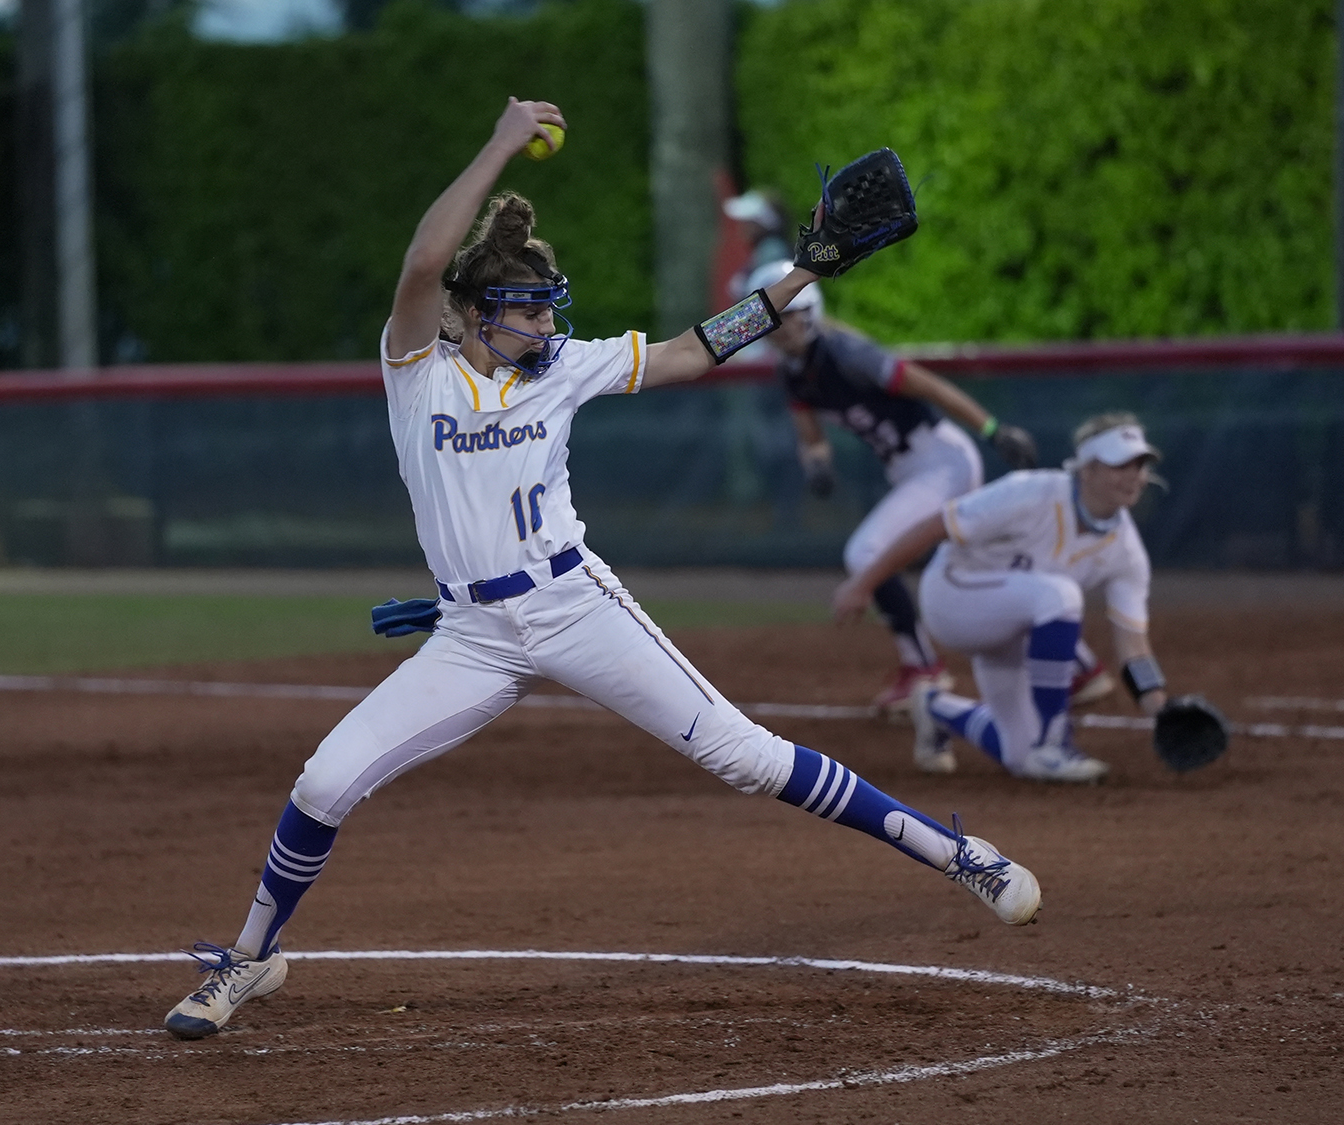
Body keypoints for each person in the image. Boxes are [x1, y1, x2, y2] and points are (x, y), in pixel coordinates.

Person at [161, 98, 1043, 1041]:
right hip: (469, 635)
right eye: (524, 308)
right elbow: (423, 262)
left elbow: (691, 351)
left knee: (742, 755)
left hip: (573, 602)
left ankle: (958, 852)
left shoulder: (565, 366)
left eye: (548, 304)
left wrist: (796, 280)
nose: (545, 321)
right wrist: (500, 142)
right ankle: (250, 961)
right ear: (468, 314)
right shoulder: (417, 368)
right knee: (323, 783)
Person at [746, 259, 1090, 716]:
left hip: (939, 460)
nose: (777, 327)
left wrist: (992, 429)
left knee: (866, 553)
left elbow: (928, 386)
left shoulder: (847, 354)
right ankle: (1082, 665)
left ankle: (923, 666)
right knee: (982, 562)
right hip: (912, 469)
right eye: (771, 317)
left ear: (808, 311)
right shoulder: (792, 371)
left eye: (785, 314)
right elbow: (810, 434)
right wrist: (817, 464)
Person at [831, 412, 1168, 782]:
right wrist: (864, 584)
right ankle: (1053, 744)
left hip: (1014, 629)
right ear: (1087, 470)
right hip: (952, 598)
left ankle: (936, 708)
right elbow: (935, 526)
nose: (1134, 475)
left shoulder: (1127, 551)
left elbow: (1134, 646)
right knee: (1060, 596)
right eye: (1120, 464)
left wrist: (1161, 711)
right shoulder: (1031, 491)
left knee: (1020, 758)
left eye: (1139, 464)